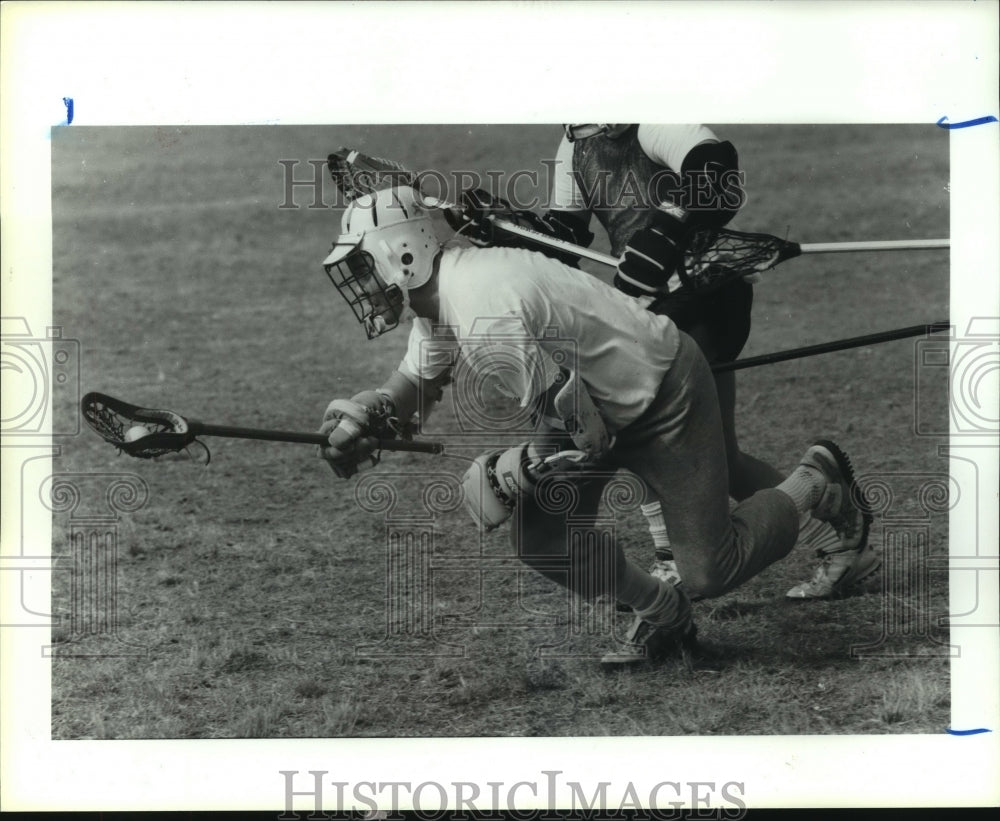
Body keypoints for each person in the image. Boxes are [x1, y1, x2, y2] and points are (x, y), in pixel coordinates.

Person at [316, 185, 871, 666]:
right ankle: (664, 613)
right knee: (542, 538)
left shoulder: (483, 307)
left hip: (660, 393)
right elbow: (412, 388)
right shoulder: (443, 299)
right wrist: (366, 417)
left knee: (709, 569)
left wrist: (515, 470)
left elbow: (588, 432)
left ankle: (813, 483)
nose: (361, 283)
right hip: (584, 397)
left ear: (403, 253)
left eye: (365, 264)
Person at [445, 124, 879, 600]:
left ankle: (673, 559)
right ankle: (841, 529)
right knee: (723, 461)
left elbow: (714, 171)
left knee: (645, 426)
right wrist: (508, 231)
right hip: (650, 311)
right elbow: (566, 237)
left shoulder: (649, 116)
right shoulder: (576, 140)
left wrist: (667, 228)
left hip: (705, 295)